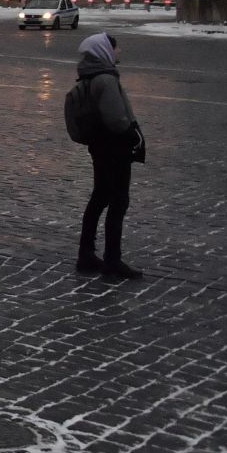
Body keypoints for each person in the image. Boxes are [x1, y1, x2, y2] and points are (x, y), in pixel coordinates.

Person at [69, 32, 142, 277]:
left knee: (99, 197)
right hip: (115, 149)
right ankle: (113, 259)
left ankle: (86, 253)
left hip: (99, 147)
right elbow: (117, 119)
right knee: (118, 202)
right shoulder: (106, 80)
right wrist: (131, 132)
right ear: (105, 51)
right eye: (116, 48)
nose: (119, 51)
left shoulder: (87, 78)